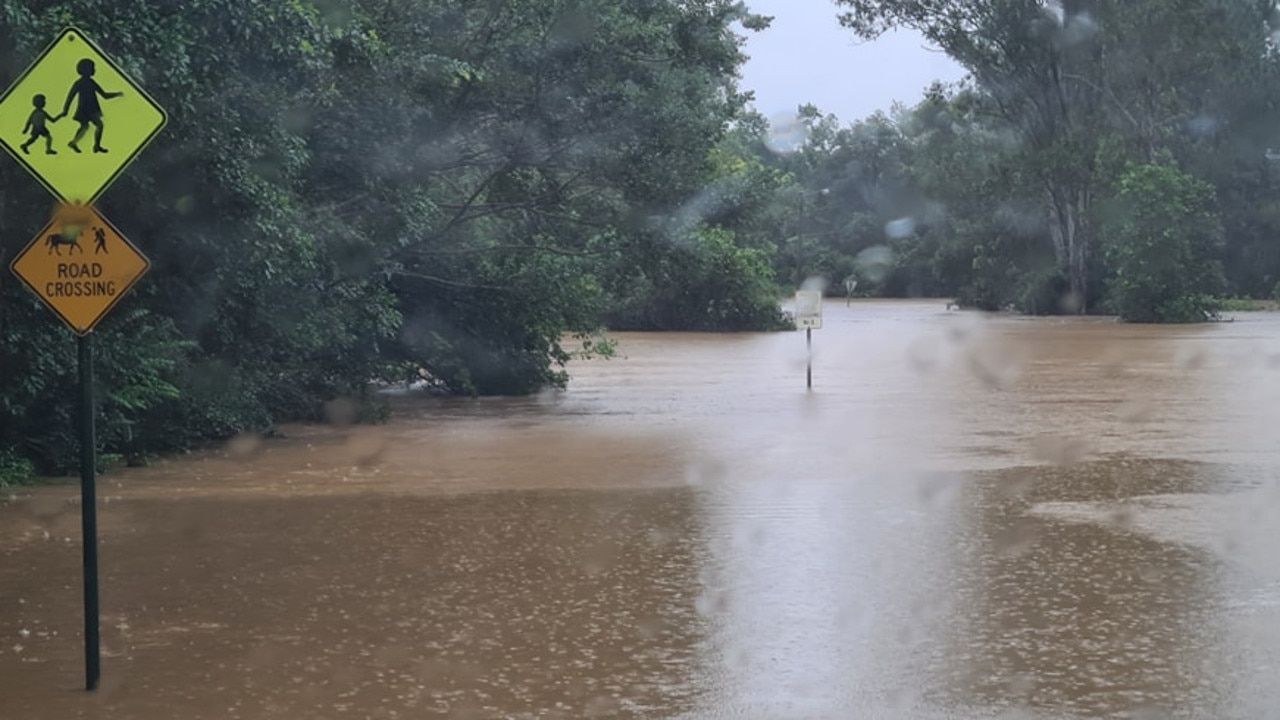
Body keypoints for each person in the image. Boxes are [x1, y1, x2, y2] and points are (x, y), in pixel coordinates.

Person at [57, 58, 122, 154]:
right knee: (90, 125)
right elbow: (70, 97)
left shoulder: (91, 82)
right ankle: (80, 143)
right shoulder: (79, 83)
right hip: (85, 109)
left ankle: (91, 145)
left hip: (91, 109)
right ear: (87, 70)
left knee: (92, 125)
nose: (94, 70)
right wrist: (65, 110)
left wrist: (117, 94)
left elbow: (104, 95)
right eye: (92, 68)